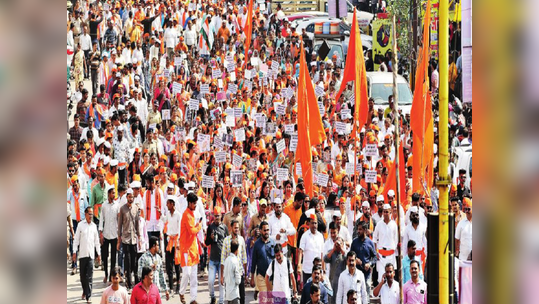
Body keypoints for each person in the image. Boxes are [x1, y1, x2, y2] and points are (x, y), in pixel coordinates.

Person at [72, 207, 101, 304]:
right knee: (82, 277)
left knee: (89, 276)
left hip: (91, 255)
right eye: (89, 214)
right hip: (82, 255)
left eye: (92, 214)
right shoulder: (80, 225)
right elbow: (76, 240)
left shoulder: (93, 226)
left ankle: (88, 296)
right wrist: (74, 252)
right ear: (85, 214)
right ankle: (85, 290)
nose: (91, 216)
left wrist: (99, 254)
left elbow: (97, 242)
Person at [179, 192, 203, 304]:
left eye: (196, 204)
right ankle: (181, 292)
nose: (195, 205)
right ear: (189, 203)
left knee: (194, 276)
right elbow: (192, 231)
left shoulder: (194, 213)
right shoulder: (186, 215)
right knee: (187, 273)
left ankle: (193, 299)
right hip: (185, 249)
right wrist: (199, 226)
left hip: (193, 248)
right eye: (194, 204)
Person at [118, 187, 141, 289]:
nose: (131, 198)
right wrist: (119, 239)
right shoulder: (122, 209)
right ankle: (128, 282)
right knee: (127, 261)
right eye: (129, 197)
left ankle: (136, 282)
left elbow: (137, 224)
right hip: (126, 238)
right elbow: (119, 225)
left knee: (134, 261)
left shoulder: (136, 208)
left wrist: (139, 237)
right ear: (126, 197)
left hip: (134, 239)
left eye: (132, 197)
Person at [205, 206, 229, 304]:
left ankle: (221, 301)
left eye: (218, 216)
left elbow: (228, 241)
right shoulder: (210, 227)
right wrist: (210, 238)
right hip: (213, 260)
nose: (216, 218)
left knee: (221, 282)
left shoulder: (224, 228)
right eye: (215, 216)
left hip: (222, 260)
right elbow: (206, 243)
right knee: (210, 281)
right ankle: (212, 296)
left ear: (221, 216)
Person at [349, 221, 376, 297]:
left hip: (366, 273)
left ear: (365, 230)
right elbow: (350, 255)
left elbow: (374, 257)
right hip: (356, 272)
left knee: (366, 293)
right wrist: (355, 259)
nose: (358, 231)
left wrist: (369, 264)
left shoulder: (370, 243)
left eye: (360, 229)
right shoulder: (354, 242)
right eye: (358, 229)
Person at [68, 174, 88, 275]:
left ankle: (83, 266)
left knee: (83, 243)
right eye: (73, 186)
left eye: (76, 185)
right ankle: (74, 265)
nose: (75, 187)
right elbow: (67, 208)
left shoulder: (83, 194)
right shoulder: (69, 194)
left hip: (82, 221)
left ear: (79, 184)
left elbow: (86, 207)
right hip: (74, 222)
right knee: (74, 243)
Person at [372, 204, 398, 283]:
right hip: (381, 256)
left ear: (390, 212)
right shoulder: (379, 225)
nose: (386, 214)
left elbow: (396, 240)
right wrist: (375, 252)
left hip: (391, 255)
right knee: (381, 278)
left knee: (391, 278)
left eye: (387, 212)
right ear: (382, 213)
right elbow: (374, 239)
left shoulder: (394, 225)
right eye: (384, 212)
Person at [99, 185, 119, 283]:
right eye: (112, 193)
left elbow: (118, 220)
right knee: (105, 256)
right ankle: (106, 275)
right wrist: (101, 233)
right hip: (106, 234)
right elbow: (101, 219)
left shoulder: (117, 205)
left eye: (114, 193)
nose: (114, 195)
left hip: (114, 234)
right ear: (108, 194)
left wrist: (119, 233)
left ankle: (112, 275)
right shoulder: (104, 205)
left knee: (113, 257)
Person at [161, 196, 181, 294]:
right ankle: (171, 287)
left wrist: (179, 242)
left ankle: (178, 285)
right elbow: (164, 220)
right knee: (169, 264)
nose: (167, 205)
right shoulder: (168, 214)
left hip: (176, 241)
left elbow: (180, 229)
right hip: (169, 241)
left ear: (172, 204)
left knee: (177, 264)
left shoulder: (178, 215)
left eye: (168, 203)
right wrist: (160, 213)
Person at [298, 212, 325, 285]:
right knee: (307, 291)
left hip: (318, 271)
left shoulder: (320, 236)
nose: (314, 225)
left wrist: (323, 269)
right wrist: (299, 265)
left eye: (315, 223)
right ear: (309, 224)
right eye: (312, 223)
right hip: (308, 269)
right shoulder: (305, 236)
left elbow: (322, 253)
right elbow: (300, 251)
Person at [249, 221, 275, 293]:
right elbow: (253, 262)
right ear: (260, 231)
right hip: (261, 276)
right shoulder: (257, 244)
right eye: (264, 230)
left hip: (272, 277)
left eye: (267, 230)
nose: (266, 232)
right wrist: (252, 278)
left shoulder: (273, 242)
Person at [323, 229, 347, 304]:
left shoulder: (344, 253)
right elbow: (325, 259)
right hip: (332, 281)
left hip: (342, 281)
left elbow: (348, 259)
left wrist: (341, 249)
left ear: (343, 244)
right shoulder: (331, 251)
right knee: (332, 299)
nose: (338, 245)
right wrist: (333, 249)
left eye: (340, 243)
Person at [223, 239, 242, 304]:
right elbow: (238, 280)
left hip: (228, 293)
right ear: (237, 250)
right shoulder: (235, 261)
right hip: (234, 294)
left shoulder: (226, 260)